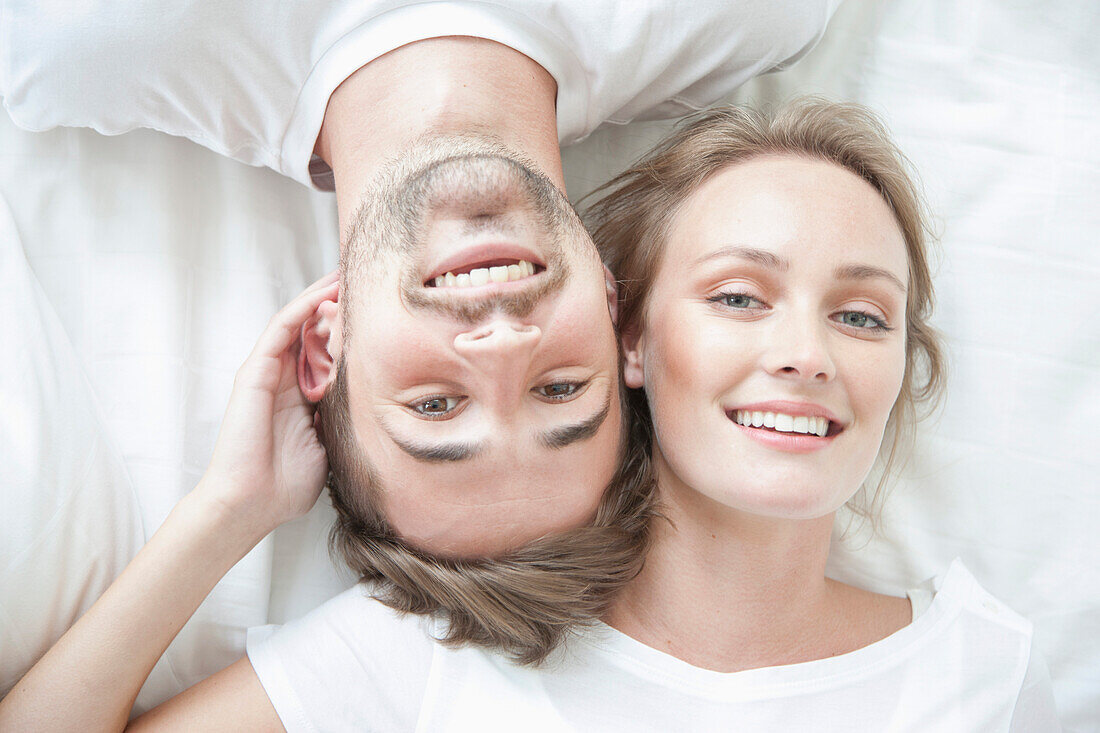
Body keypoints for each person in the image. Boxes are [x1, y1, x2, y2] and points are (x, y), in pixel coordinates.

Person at [1, 99, 1060, 730]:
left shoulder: (979, 669)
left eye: (863, 316)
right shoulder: (433, 658)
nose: (804, 352)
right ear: (627, 340)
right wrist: (224, 512)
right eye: (738, 296)